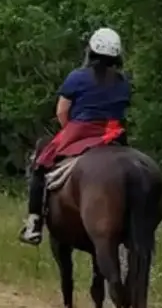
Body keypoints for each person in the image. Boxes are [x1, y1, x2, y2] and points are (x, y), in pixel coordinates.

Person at [20, 27, 131, 245]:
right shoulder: (123, 81)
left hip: (81, 130)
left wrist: (69, 130)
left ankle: (34, 221)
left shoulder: (77, 77)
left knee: (42, 163)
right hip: (113, 133)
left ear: (91, 51)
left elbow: (62, 111)